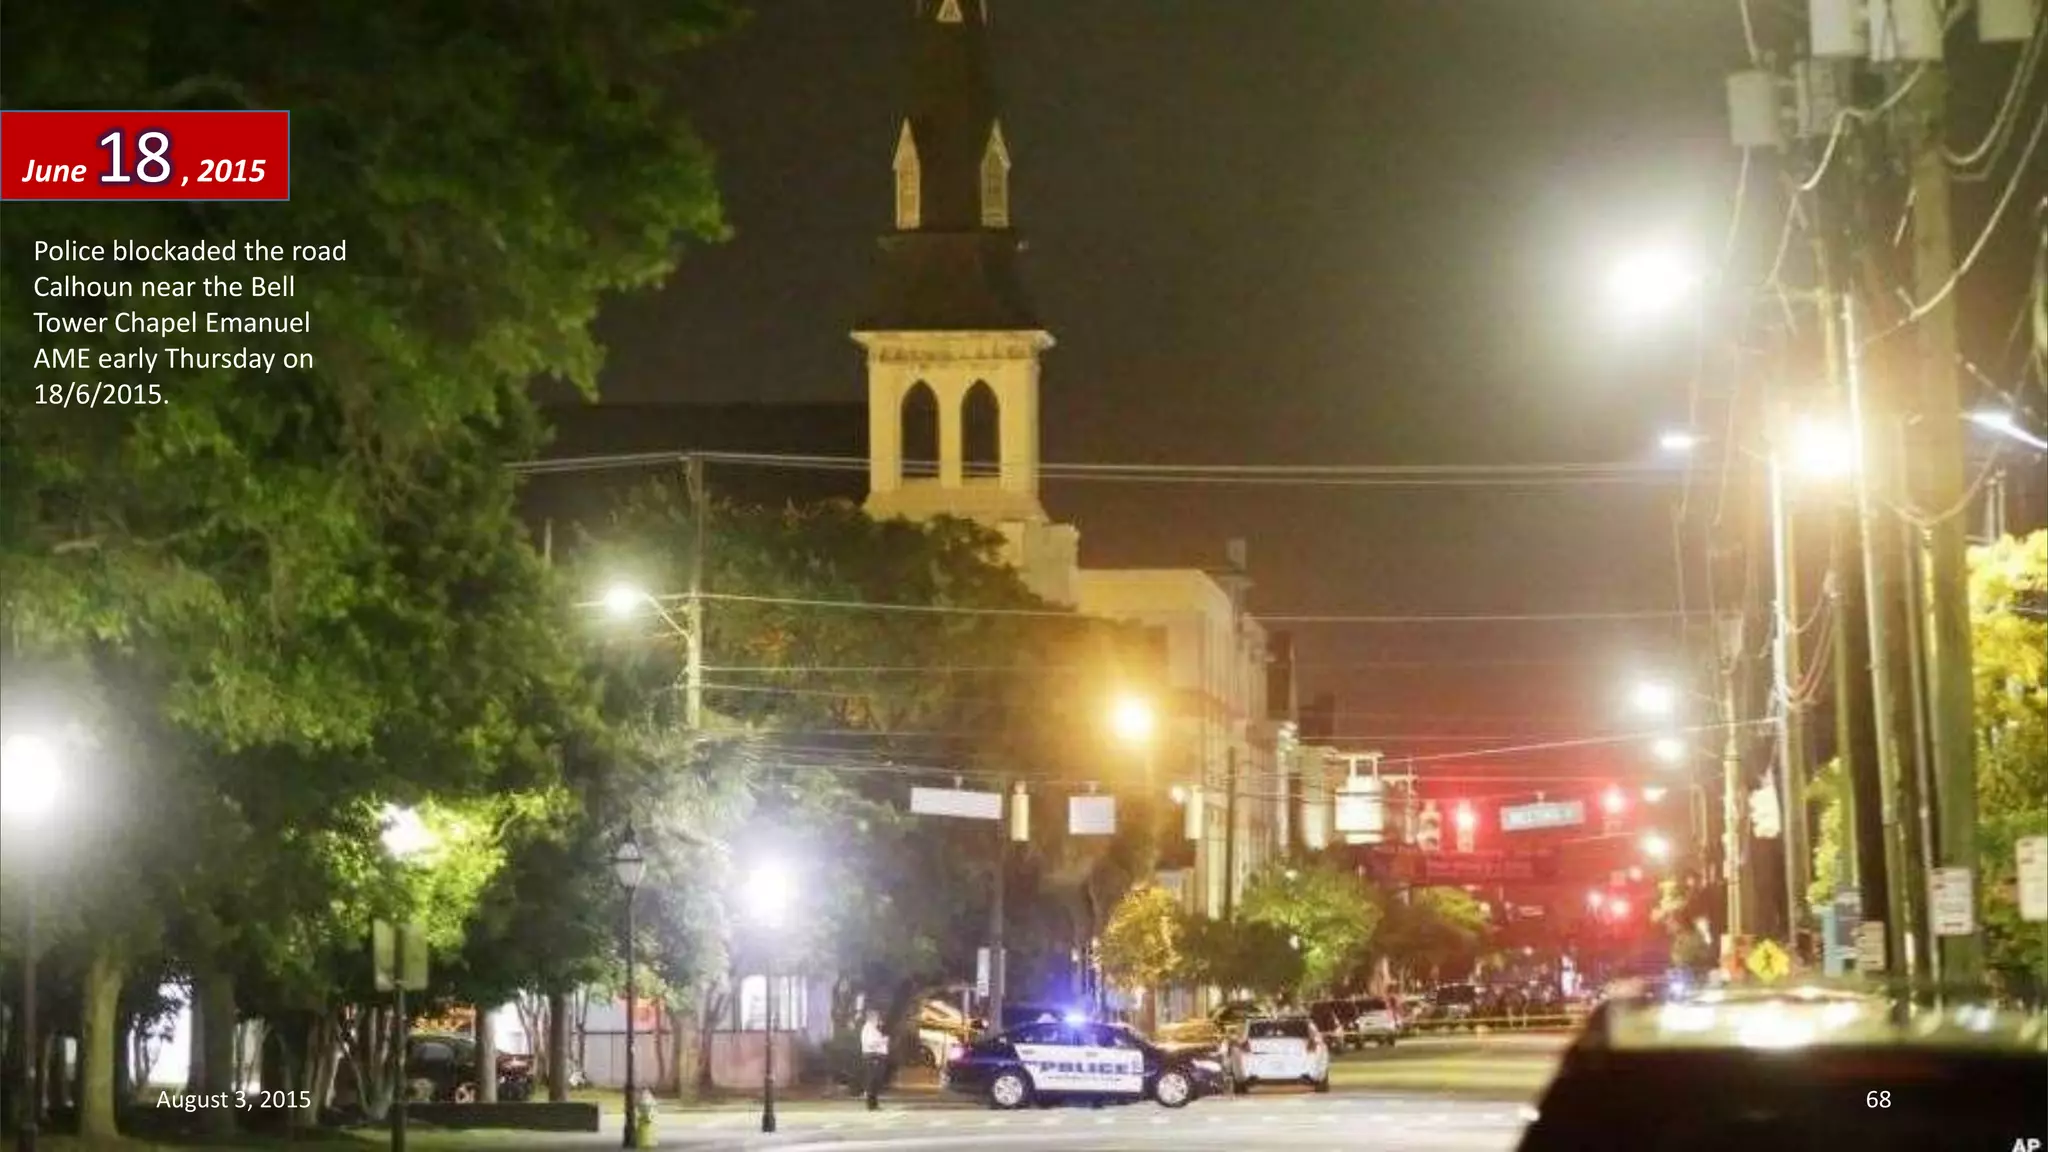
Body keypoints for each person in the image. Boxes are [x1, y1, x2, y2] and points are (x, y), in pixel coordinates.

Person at [859, 1009, 890, 1111]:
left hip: (876, 1056)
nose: (878, 1020)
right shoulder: (868, 1028)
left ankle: (874, 1104)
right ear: (872, 1018)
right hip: (873, 1057)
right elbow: (870, 1043)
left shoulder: (873, 1028)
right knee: (873, 1081)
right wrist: (883, 1041)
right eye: (877, 1018)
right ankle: (871, 1105)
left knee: (875, 1081)